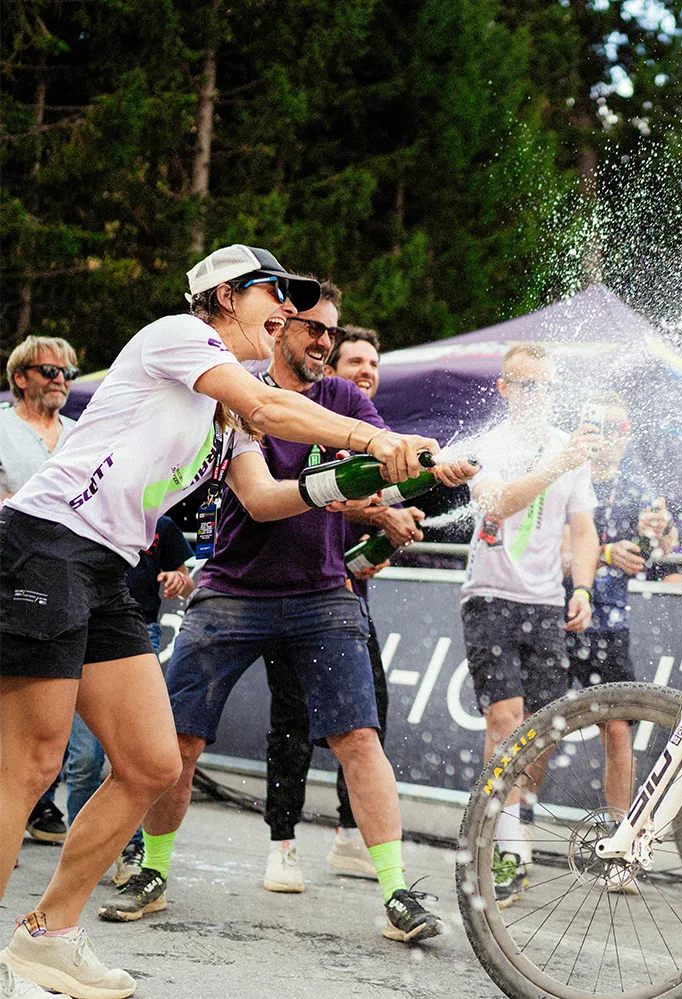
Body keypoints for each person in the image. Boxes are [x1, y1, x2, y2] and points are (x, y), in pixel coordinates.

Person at [0, 243, 440, 999]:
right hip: (46, 546)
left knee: (151, 763)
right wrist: (371, 437)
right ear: (227, 296)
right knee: (30, 764)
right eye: (276, 294)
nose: (290, 313)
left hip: (103, 567)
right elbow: (275, 406)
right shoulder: (179, 335)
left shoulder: (228, 406)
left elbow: (269, 498)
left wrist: (368, 476)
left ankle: (49, 934)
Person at [100, 280, 472, 944]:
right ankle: (152, 870)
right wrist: (362, 484)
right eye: (311, 329)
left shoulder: (344, 396)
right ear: (279, 330)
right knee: (178, 742)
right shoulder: (238, 392)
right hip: (231, 593)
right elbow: (269, 498)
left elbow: (386, 463)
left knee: (359, 739)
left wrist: (424, 472)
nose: (324, 342)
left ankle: (397, 892)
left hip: (322, 594)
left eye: (333, 332)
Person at [262, 324, 418, 883]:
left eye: (373, 363)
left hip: (343, 598)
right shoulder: (308, 418)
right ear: (331, 369)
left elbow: (376, 504)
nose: (366, 372)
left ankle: (352, 835)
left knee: (365, 719)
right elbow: (309, 497)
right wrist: (377, 516)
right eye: (355, 361)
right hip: (285, 590)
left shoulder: (373, 433)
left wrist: (386, 537)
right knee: (292, 717)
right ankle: (281, 842)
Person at [461, 343, 600, 907]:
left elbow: (585, 530)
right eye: (523, 385)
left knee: (542, 732)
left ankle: (515, 829)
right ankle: (505, 846)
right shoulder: (487, 445)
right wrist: (553, 466)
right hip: (490, 595)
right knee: (505, 719)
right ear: (504, 388)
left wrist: (583, 586)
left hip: (545, 601)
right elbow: (498, 506)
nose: (534, 396)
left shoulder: (572, 451)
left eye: (543, 386)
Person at [63, 516, 195, 892]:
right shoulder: (86, 510)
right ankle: (82, 850)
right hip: (81, 630)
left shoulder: (162, 524)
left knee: (137, 758)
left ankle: (130, 850)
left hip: (139, 634)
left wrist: (176, 581)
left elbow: (183, 577)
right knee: (85, 757)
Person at [564, 391, 666, 824]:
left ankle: (619, 834)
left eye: (625, 429)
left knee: (618, 727)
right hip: (561, 612)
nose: (619, 438)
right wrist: (606, 554)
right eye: (611, 428)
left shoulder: (637, 486)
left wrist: (658, 534)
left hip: (609, 624)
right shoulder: (567, 474)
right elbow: (557, 548)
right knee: (540, 727)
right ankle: (517, 837)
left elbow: (662, 548)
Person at [1, 335, 81, 846]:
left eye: (68, 373)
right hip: (5, 571)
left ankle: (38, 801)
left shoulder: (82, 433)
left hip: (64, 578)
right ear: (20, 377)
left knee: (49, 706)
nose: (60, 380)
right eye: (49, 371)